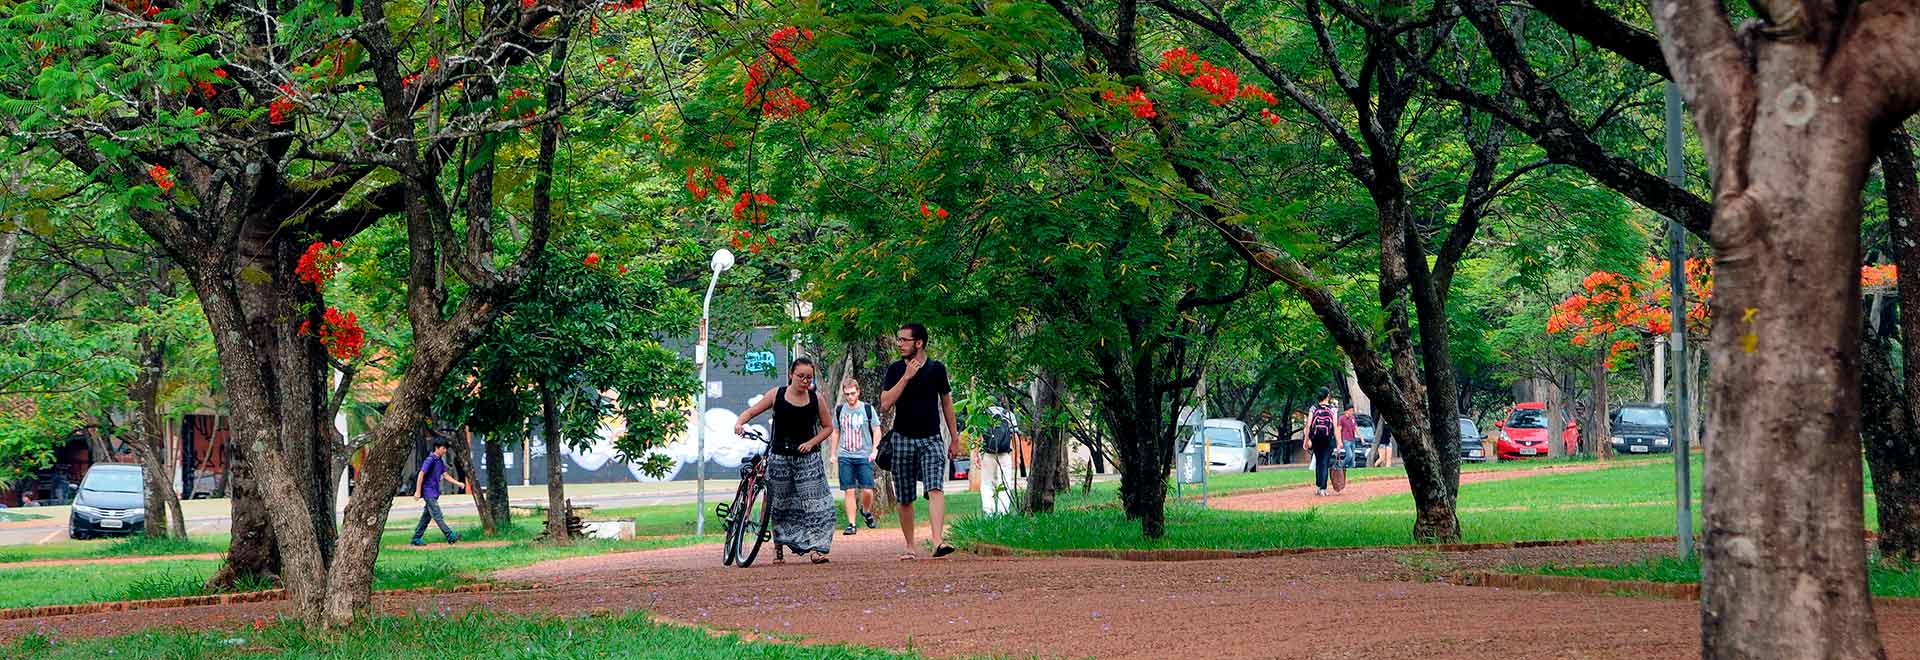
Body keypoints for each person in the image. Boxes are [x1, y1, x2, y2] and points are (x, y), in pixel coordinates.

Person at [734, 357, 836, 564]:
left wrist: (811, 442)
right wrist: (740, 422)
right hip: (780, 458)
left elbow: (828, 427)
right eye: (800, 376)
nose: (805, 381)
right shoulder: (777, 394)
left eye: (809, 377)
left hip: (808, 459)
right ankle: (778, 546)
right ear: (791, 374)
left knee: (816, 505)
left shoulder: (816, 399)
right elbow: (752, 411)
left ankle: (817, 549)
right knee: (780, 504)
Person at [879, 323, 961, 560]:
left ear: (919, 343)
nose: (900, 344)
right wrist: (906, 377)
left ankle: (937, 542)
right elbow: (885, 404)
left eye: (904, 340)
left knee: (935, 487)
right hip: (902, 438)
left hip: (931, 438)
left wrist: (954, 438)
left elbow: (947, 403)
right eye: (899, 340)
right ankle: (909, 546)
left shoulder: (937, 369)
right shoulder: (895, 370)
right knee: (905, 496)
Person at [830, 377, 881, 535]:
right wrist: (833, 454)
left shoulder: (867, 409)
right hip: (845, 455)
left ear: (858, 392)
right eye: (847, 394)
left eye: (852, 393)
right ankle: (851, 524)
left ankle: (865, 511)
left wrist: (874, 450)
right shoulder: (840, 410)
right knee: (849, 490)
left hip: (864, 455)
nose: (850, 397)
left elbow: (877, 430)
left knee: (867, 490)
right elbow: (836, 432)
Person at [411, 439, 465, 546]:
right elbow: (421, 474)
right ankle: (450, 536)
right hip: (428, 492)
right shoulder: (430, 460)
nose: (445, 451)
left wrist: (458, 483)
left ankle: (416, 538)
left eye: (446, 449)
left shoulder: (439, 461)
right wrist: (417, 491)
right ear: (436, 448)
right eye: (443, 448)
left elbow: (445, 475)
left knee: (426, 517)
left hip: (434, 492)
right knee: (437, 515)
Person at [977, 406, 1018, 516]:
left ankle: (988, 514)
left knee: (987, 484)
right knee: (1004, 484)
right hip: (1005, 454)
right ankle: (1003, 513)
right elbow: (1014, 436)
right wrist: (1016, 456)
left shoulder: (983, 414)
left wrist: (977, 454)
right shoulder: (1009, 414)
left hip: (988, 454)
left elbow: (979, 436)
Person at [1303, 389, 1341, 496]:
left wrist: (1306, 440)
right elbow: (1335, 426)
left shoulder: (1313, 408)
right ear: (1328, 396)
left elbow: (1309, 425)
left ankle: (1318, 487)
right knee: (1325, 462)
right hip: (1328, 439)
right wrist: (1338, 442)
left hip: (1316, 439)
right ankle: (1323, 488)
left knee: (1319, 461)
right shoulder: (1333, 409)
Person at [1339, 404, 1360, 468]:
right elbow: (1339, 429)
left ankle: (1351, 470)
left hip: (1352, 439)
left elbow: (1355, 428)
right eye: (1350, 411)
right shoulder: (1341, 418)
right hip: (1346, 439)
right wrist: (1339, 441)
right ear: (1346, 411)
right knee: (1349, 455)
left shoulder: (1352, 418)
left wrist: (1361, 437)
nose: (1351, 412)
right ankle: (1341, 466)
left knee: (1353, 458)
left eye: (1352, 411)